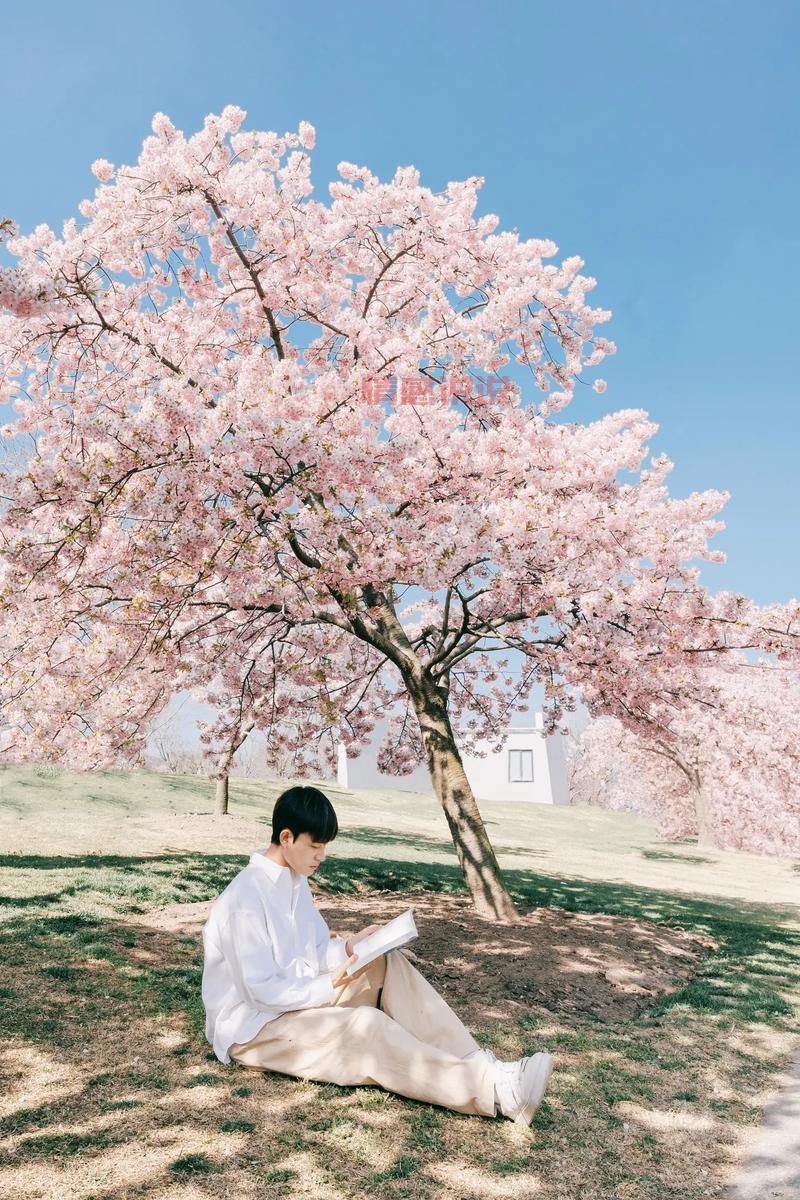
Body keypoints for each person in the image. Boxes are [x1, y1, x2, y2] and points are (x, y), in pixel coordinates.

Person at [201, 784, 554, 1124]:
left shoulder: (295, 883)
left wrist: (352, 947)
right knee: (365, 1027)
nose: (322, 856)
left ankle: (479, 1063)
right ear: (287, 837)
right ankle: (493, 1092)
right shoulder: (244, 899)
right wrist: (328, 984)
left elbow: (317, 950)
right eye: (315, 845)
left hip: (296, 1001)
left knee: (383, 962)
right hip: (252, 1030)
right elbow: (260, 992)